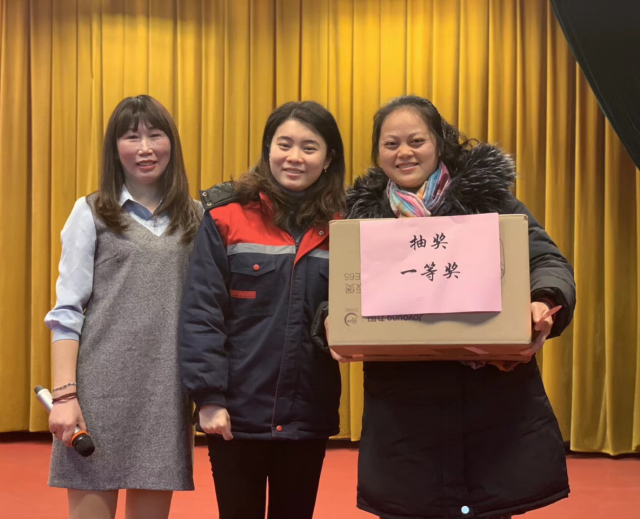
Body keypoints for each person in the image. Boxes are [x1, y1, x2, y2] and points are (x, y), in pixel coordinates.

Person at [342, 95, 576, 519]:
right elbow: (337, 291)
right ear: (378, 152)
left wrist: (543, 300)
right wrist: (332, 322)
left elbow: (547, 261)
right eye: (391, 143)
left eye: (416, 141)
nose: (404, 152)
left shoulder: (489, 201)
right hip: (403, 415)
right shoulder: (360, 219)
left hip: (490, 404)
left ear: (440, 143)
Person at [178, 101, 346, 519]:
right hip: (235, 414)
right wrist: (209, 398)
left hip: (307, 412)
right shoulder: (226, 217)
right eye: (284, 144)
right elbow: (202, 312)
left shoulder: (346, 226)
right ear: (268, 149)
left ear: (328, 159)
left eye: (309, 147)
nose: (294, 157)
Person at [44, 95, 202, 519]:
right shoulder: (91, 211)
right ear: (115, 148)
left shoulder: (196, 216)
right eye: (132, 137)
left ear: (172, 143)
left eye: (155, 135)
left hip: (165, 391)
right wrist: (65, 396)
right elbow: (67, 312)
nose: (145, 148)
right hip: (98, 390)